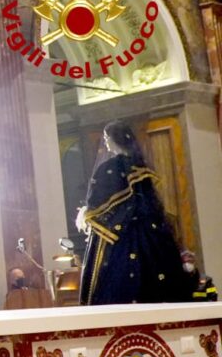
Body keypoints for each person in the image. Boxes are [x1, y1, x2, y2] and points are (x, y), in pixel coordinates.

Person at [77, 121, 187, 305]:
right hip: (149, 231)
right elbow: (150, 201)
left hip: (120, 234)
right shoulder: (140, 165)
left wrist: (86, 213)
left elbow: (98, 201)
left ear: (114, 139)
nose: (106, 143)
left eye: (106, 139)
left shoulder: (110, 167)